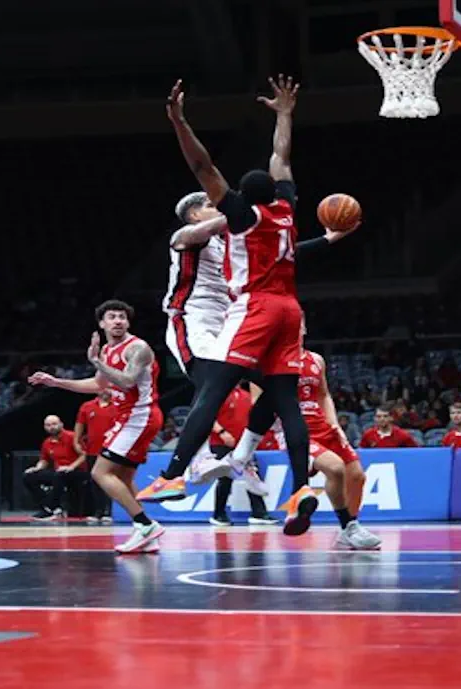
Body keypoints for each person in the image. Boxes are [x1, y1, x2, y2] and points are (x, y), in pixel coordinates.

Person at [140, 75, 321, 537]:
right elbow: (281, 158)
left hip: (254, 308)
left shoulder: (239, 217)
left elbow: (202, 165)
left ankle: (174, 473)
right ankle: (298, 488)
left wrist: (179, 122)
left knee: (213, 391)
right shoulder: (286, 208)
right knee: (284, 401)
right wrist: (284, 115)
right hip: (287, 311)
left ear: (240, 196)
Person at [29, 300, 164, 554]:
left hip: (139, 416)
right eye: (112, 317)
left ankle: (145, 525)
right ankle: (146, 533)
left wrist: (97, 362)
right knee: (123, 478)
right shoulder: (106, 351)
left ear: (128, 322)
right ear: (102, 323)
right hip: (128, 417)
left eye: (122, 317)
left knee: (99, 473)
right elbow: (98, 385)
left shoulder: (138, 348)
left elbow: (126, 382)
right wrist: (56, 382)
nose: (117, 321)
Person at [289, 348, 380, 549]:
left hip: (322, 425)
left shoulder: (316, 359)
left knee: (356, 476)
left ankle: (350, 530)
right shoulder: (273, 358)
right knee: (335, 468)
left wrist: (334, 424)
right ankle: (343, 522)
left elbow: (324, 395)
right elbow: (258, 401)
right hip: (296, 427)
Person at [200, 386, 277, 526]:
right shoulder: (217, 393)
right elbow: (206, 415)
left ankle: (259, 513)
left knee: (252, 476)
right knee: (225, 478)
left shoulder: (245, 395)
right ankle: (218, 514)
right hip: (220, 442)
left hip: (242, 444)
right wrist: (222, 432)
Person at [24, 415, 86, 521]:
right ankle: (52, 508)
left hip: (77, 471)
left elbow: (84, 454)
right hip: (59, 472)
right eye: (48, 425)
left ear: (61, 424)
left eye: (54, 424)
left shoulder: (72, 437)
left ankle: (50, 509)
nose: (51, 427)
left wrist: (71, 467)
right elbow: (44, 460)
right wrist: (37, 468)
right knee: (29, 476)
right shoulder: (47, 442)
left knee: (59, 475)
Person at [75, 389, 119, 523]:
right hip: (92, 450)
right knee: (95, 482)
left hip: (111, 450)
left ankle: (109, 511)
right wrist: (76, 441)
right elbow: (80, 424)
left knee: (110, 480)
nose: (105, 390)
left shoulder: (118, 405)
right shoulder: (87, 406)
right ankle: (98, 511)